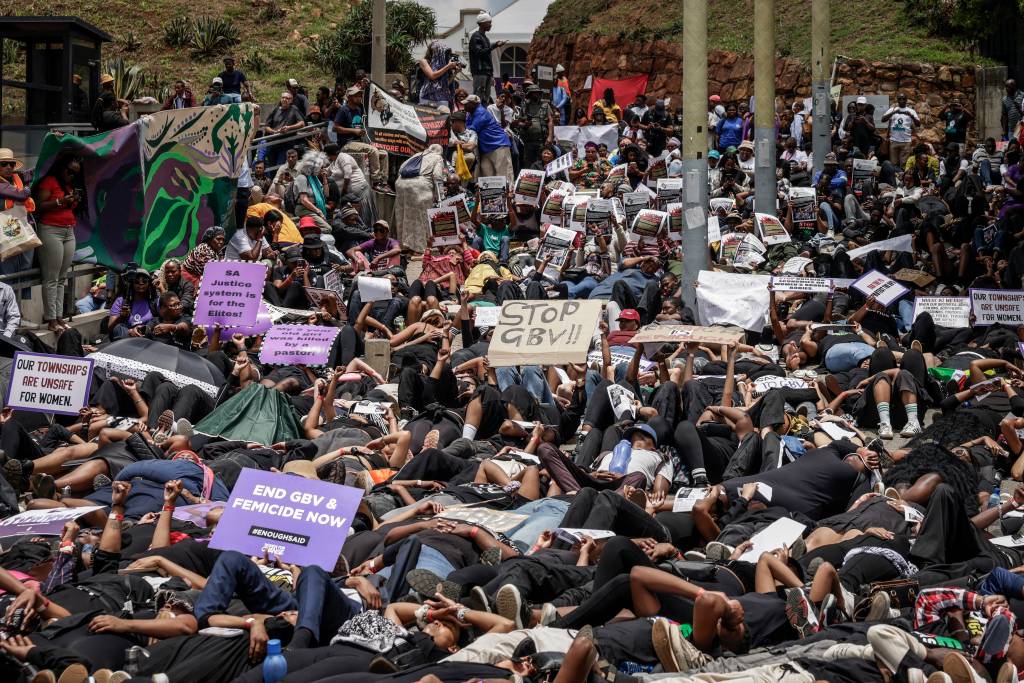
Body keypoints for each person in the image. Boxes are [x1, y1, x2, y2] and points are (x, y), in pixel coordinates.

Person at [32, 155, 82, 333]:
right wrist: (61, 201)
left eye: (75, 173)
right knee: (51, 278)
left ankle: (59, 317)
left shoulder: (68, 185)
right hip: (50, 230)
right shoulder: (50, 181)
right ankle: (51, 319)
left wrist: (73, 201)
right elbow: (37, 206)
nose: (71, 175)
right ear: (61, 168)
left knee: (62, 278)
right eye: (69, 171)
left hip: (69, 230)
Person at [334, 86, 391, 193]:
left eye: (360, 95)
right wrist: (353, 131)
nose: (359, 97)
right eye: (356, 96)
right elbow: (335, 128)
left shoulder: (358, 109)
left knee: (383, 153)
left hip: (358, 142)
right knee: (372, 150)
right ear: (349, 97)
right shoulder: (343, 110)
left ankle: (384, 182)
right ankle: (376, 182)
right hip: (347, 143)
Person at [394, 145, 447, 253]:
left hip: (400, 185)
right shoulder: (437, 157)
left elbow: (401, 170)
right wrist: (440, 196)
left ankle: (404, 246)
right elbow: (437, 176)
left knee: (404, 216)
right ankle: (420, 248)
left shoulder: (416, 155)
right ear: (439, 152)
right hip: (420, 186)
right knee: (421, 218)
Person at [462, 94, 513, 183]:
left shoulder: (481, 112)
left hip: (499, 144)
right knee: (486, 175)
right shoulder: (470, 114)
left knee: (503, 173)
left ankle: (508, 195)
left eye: (467, 104)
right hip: (486, 149)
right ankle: (491, 196)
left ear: (474, 104)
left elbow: (472, 128)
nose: (464, 105)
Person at [468, 11, 505, 103]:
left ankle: (484, 115)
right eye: (489, 22)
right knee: (478, 97)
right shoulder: (476, 37)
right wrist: (494, 46)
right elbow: (480, 52)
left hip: (487, 72)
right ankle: (477, 116)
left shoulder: (485, 38)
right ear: (483, 23)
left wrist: (495, 44)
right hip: (480, 72)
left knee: (486, 99)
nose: (491, 25)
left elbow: (486, 52)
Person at [516, 84, 554, 169]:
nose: (536, 94)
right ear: (530, 94)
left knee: (543, 162)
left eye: (537, 93)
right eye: (534, 93)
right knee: (529, 163)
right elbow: (519, 122)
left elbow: (550, 121)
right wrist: (525, 124)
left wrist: (550, 136)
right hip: (528, 141)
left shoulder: (545, 106)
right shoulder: (525, 106)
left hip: (542, 140)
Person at [263, 92, 305, 165]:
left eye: (287, 98)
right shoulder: (275, 110)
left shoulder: (294, 109)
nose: (285, 99)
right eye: (283, 97)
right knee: (271, 166)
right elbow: (266, 127)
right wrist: (275, 132)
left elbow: (302, 123)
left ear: (291, 100)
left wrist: (289, 128)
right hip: (273, 142)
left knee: (280, 165)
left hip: (286, 143)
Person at [418, 41, 459, 111]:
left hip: (442, 97)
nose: (445, 55)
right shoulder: (424, 61)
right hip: (428, 97)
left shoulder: (443, 64)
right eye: (443, 52)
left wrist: (455, 73)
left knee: (443, 120)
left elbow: (445, 84)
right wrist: (448, 66)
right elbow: (432, 76)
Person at [882, 93, 920, 169]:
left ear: (906, 100)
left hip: (906, 142)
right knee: (893, 164)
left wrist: (911, 116)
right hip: (894, 141)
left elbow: (918, 124)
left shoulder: (911, 111)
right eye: (899, 99)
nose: (901, 100)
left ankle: (903, 179)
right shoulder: (892, 109)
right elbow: (883, 119)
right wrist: (893, 112)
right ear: (897, 100)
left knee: (904, 164)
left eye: (903, 99)